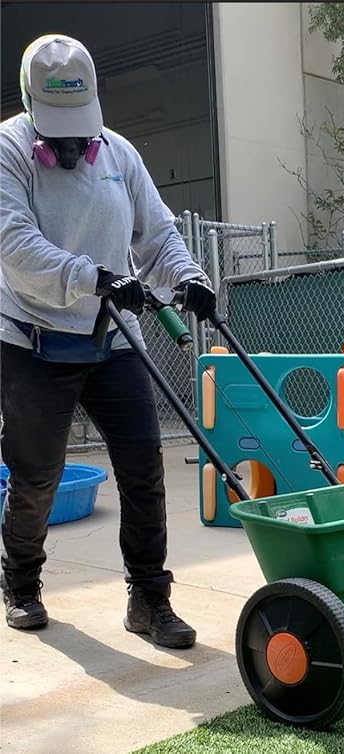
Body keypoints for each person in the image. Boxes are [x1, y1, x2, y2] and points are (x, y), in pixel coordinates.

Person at [0, 34, 217, 648]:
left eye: (81, 131)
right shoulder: (9, 150)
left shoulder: (120, 153)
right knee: (36, 477)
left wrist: (189, 278)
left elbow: (157, 234)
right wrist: (93, 278)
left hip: (115, 336)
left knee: (143, 469)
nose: (73, 146)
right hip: (32, 338)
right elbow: (14, 245)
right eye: (59, 134)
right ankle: (20, 583)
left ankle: (150, 599)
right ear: (31, 105)